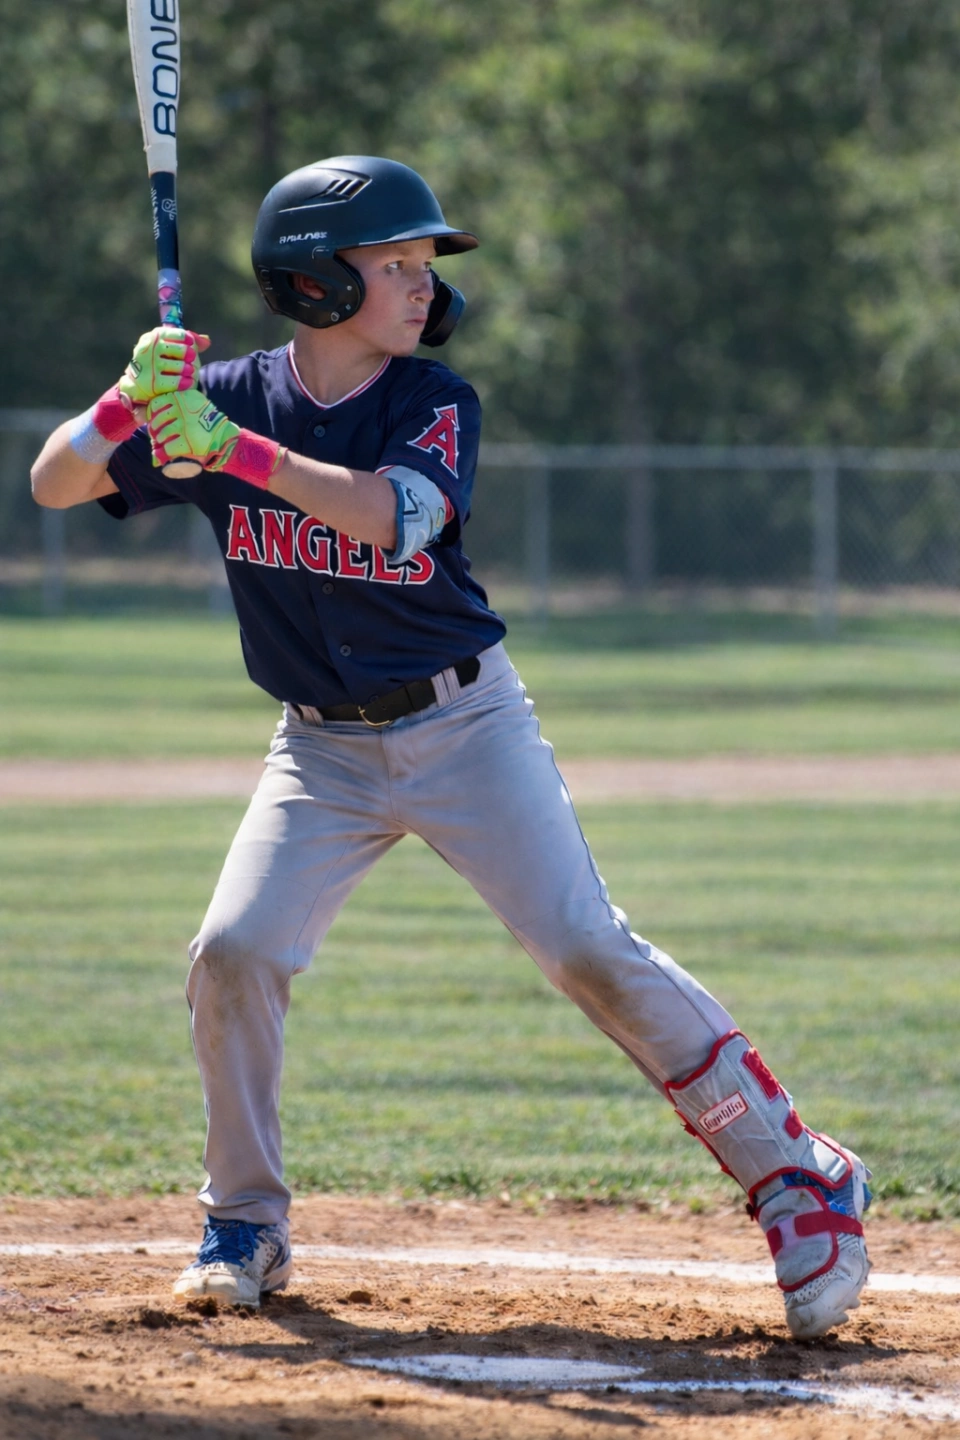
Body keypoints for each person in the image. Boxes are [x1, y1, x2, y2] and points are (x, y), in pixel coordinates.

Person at [31, 156, 872, 1340]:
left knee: (585, 945)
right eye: (395, 265)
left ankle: (800, 1177)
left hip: (463, 723)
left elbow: (391, 516)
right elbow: (53, 484)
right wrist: (127, 401)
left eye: (426, 266)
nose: (423, 286)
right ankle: (243, 1221)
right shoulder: (225, 399)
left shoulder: (429, 401)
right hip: (317, 749)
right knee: (235, 947)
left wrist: (228, 451)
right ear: (318, 285)